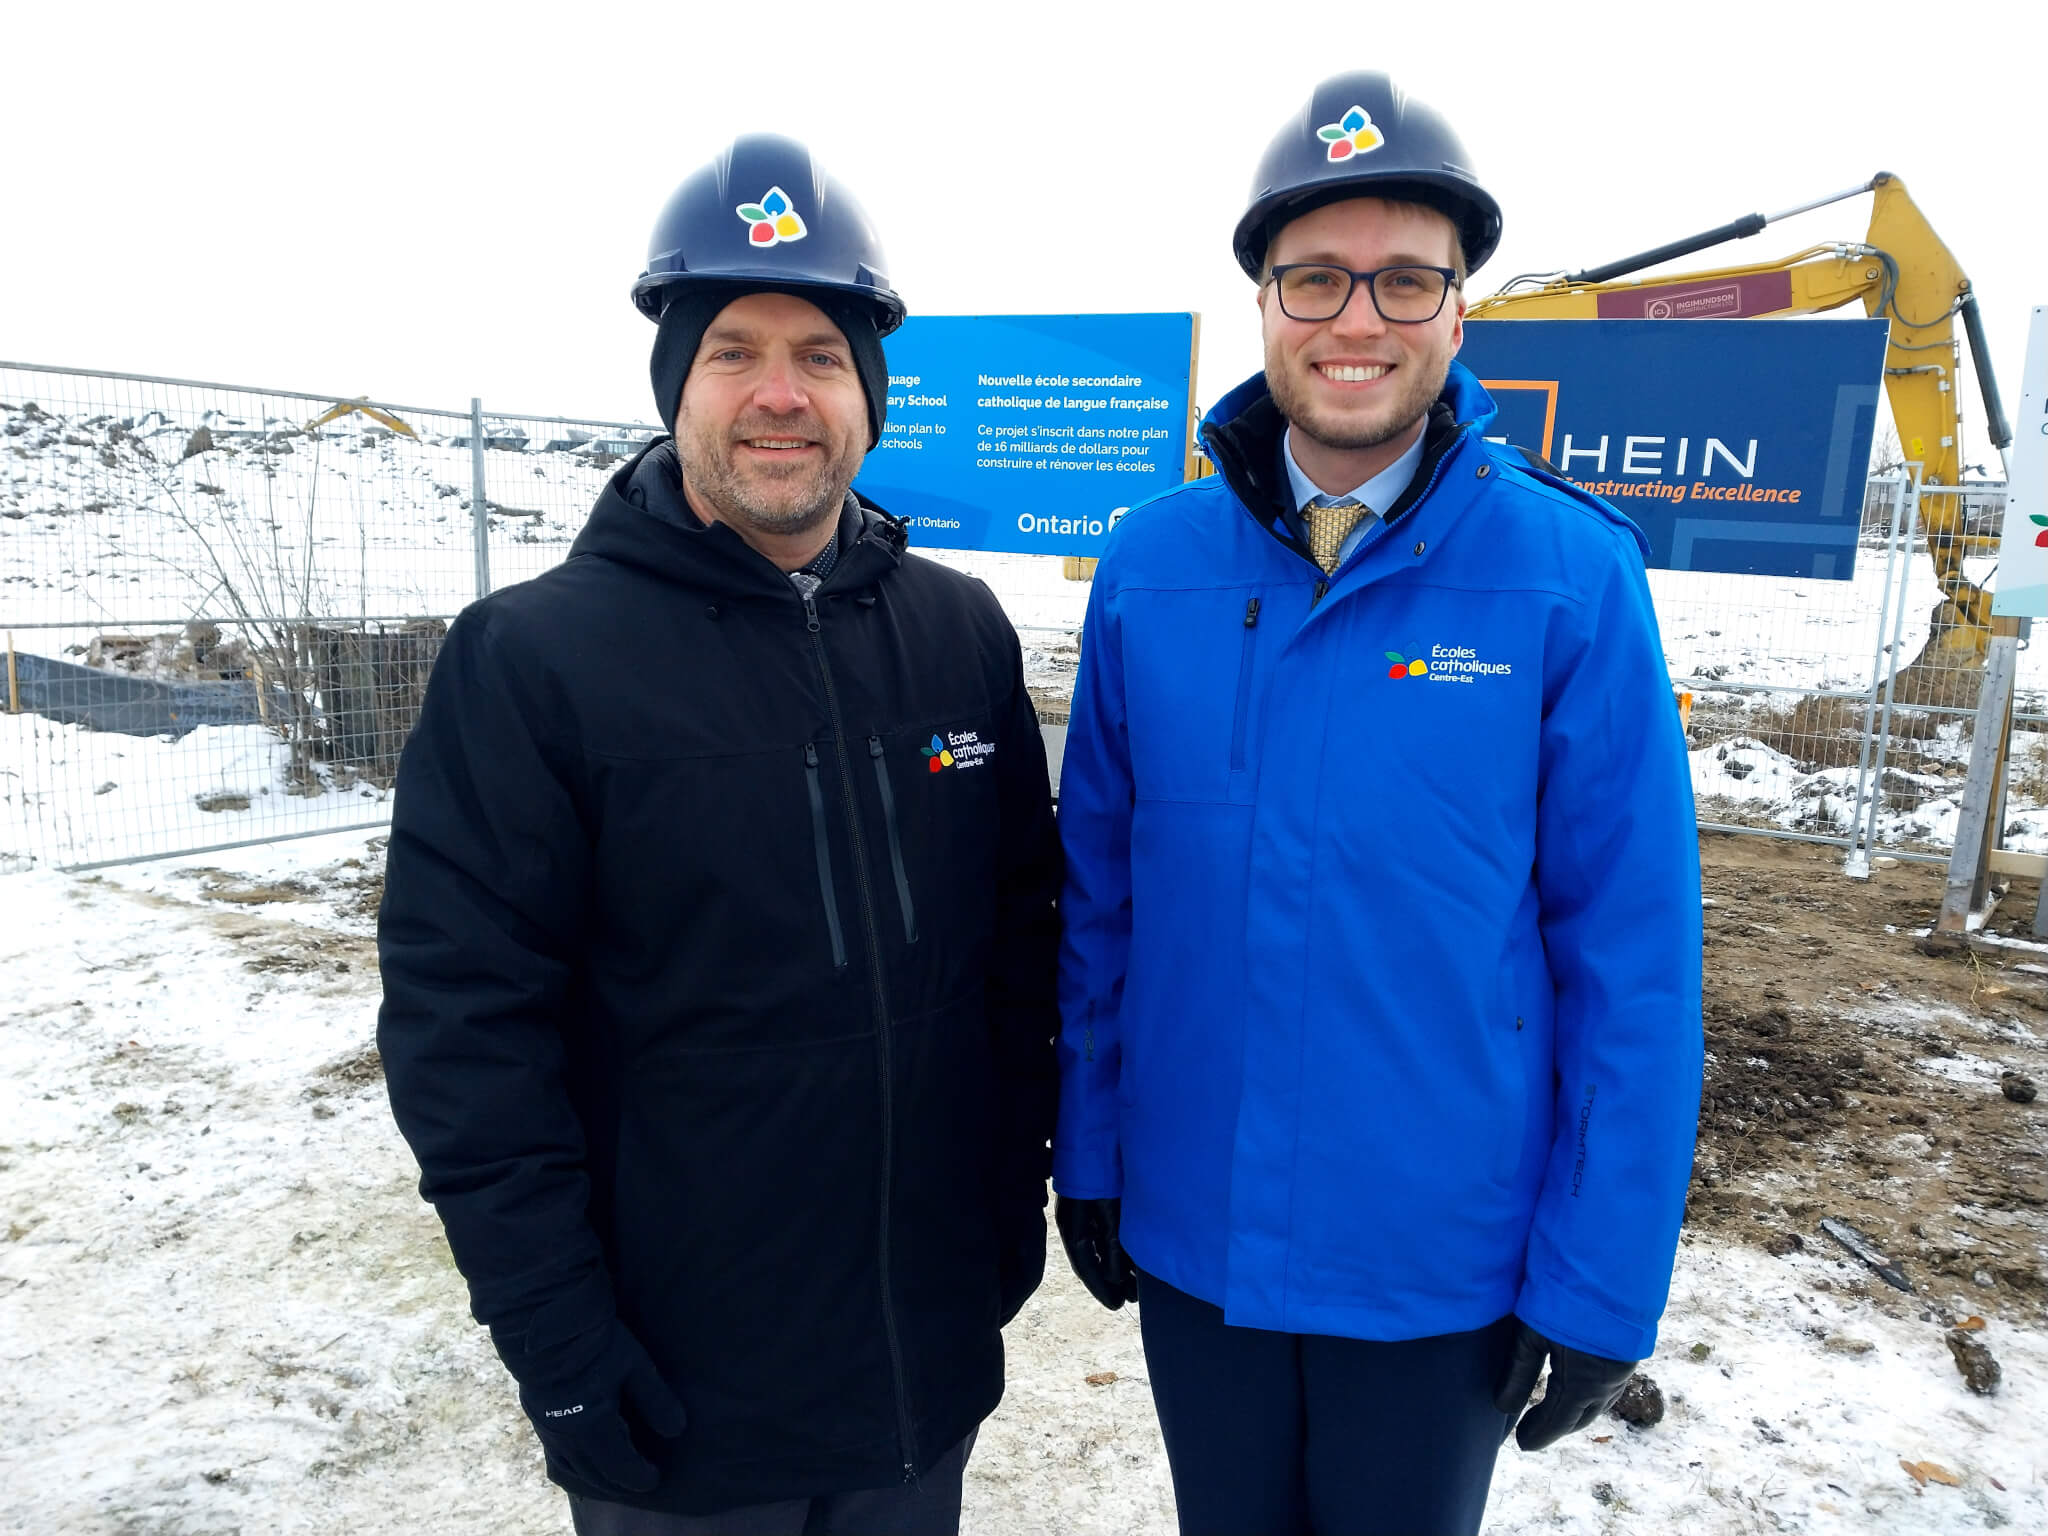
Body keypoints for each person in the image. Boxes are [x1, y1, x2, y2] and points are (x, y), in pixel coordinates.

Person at [376, 133, 1061, 1535]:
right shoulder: (533, 662)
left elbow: (1018, 958)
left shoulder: (959, 634)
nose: (779, 394)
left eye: (820, 355)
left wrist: (1007, 1209)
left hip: (916, 1372)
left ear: (869, 395)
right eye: (732, 350)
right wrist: (558, 1344)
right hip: (675, 1399)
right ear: (674, 383)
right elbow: (466, 1036)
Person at [1051, 72, 1703, 1536]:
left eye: (1407, 279)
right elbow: (1101, 905)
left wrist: (1602, 1276)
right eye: (1317, 278)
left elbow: (1636, 962)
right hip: (1198, 1240)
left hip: (1439, 1270)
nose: (1359, 319)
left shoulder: (1568, 577)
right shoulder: (1152, 567)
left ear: (1459, 314)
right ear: (1263, 305)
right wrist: (1089, 1151)